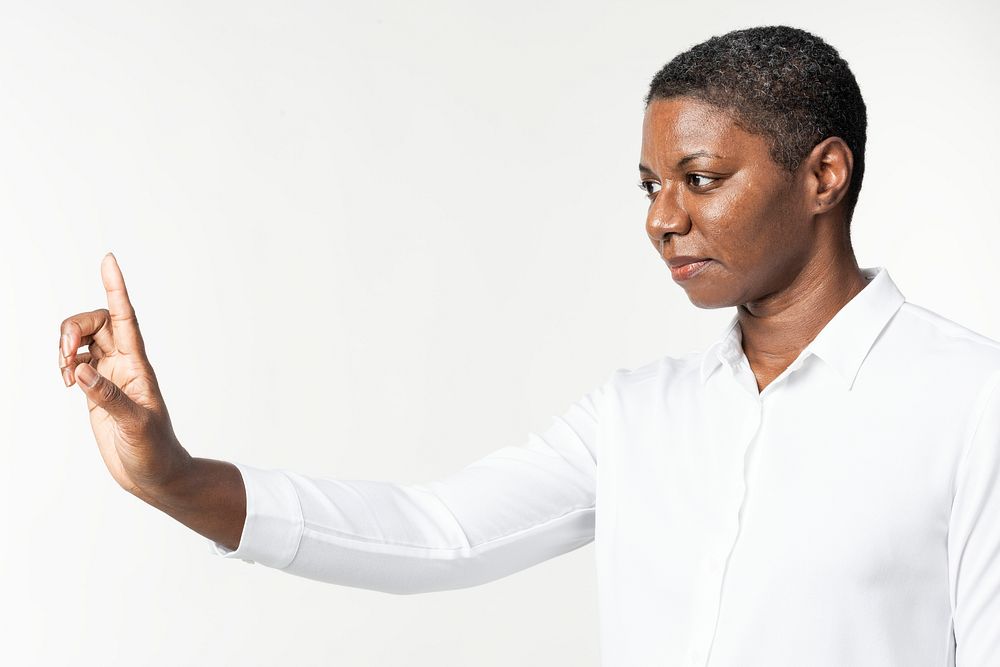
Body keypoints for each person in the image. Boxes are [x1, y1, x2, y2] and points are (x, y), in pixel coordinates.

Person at [57, 25, 1000, 666]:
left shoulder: (970, 402)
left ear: (823, 174)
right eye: (648, 187)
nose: (663, 220)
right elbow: (437, 534)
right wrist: (171, 476)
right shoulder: (640, 413)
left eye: (700, 178)